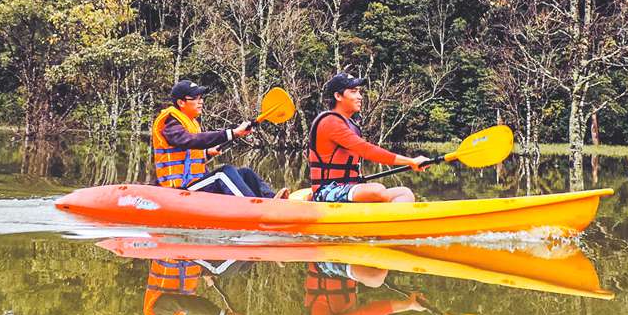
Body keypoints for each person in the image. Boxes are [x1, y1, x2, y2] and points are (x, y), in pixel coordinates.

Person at [306, 72, 431, 203]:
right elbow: (367, 150)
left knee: (405, 193)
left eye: (359, 92)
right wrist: (411, 161)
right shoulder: (329, 122)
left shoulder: (350, 125)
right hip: (326, 192)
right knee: (377, 190)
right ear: (338, 96)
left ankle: (391, 222)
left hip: (349, 189)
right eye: (353, 92)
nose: (359, 97)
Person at [151, 79, 280, 198]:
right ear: (181, 102)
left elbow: (188, 156)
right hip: (178, 190)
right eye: (195, 98)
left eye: (201, 97)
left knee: (246, 172)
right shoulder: (170, 122)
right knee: (223, 172)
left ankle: (272, 199)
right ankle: (254, 207)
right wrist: (232, 133)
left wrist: (207, 153)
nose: (201, 101)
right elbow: (188, 140)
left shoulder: (191, 122)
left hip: (194, 184)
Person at [142, 258, 246, 315]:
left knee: (221, 270)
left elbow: (188, 303)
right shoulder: (176, 314)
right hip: (189, 257)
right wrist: (204, 273)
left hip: (177, 254)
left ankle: (252, 245)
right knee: (243, 267)